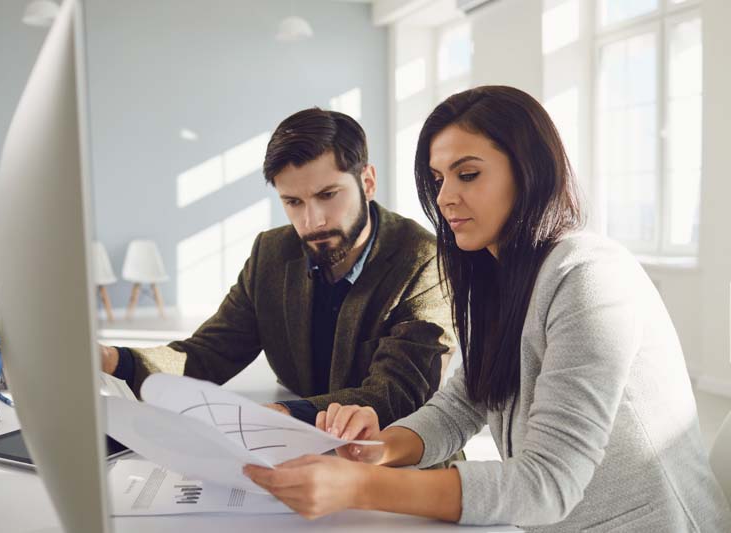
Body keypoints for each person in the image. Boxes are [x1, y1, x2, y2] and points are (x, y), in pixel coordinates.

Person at [243, 86, 731, 531]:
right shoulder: (499, 276)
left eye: (468, 174)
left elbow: (548, 484)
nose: (445, 198)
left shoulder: (588, 277)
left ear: (530, 171)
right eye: (437, 178)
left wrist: (359, 486)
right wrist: (379, 449)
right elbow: (462, 405)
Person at [101, 108, 456, 429]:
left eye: (328, 195)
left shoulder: (424, 259)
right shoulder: (270, 252)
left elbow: (398, 394)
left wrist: (287, 415)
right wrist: (114, 359)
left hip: (399, 462)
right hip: (300, 452)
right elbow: (208, 354)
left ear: (367, 182)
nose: (312, 220)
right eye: (293, 202)